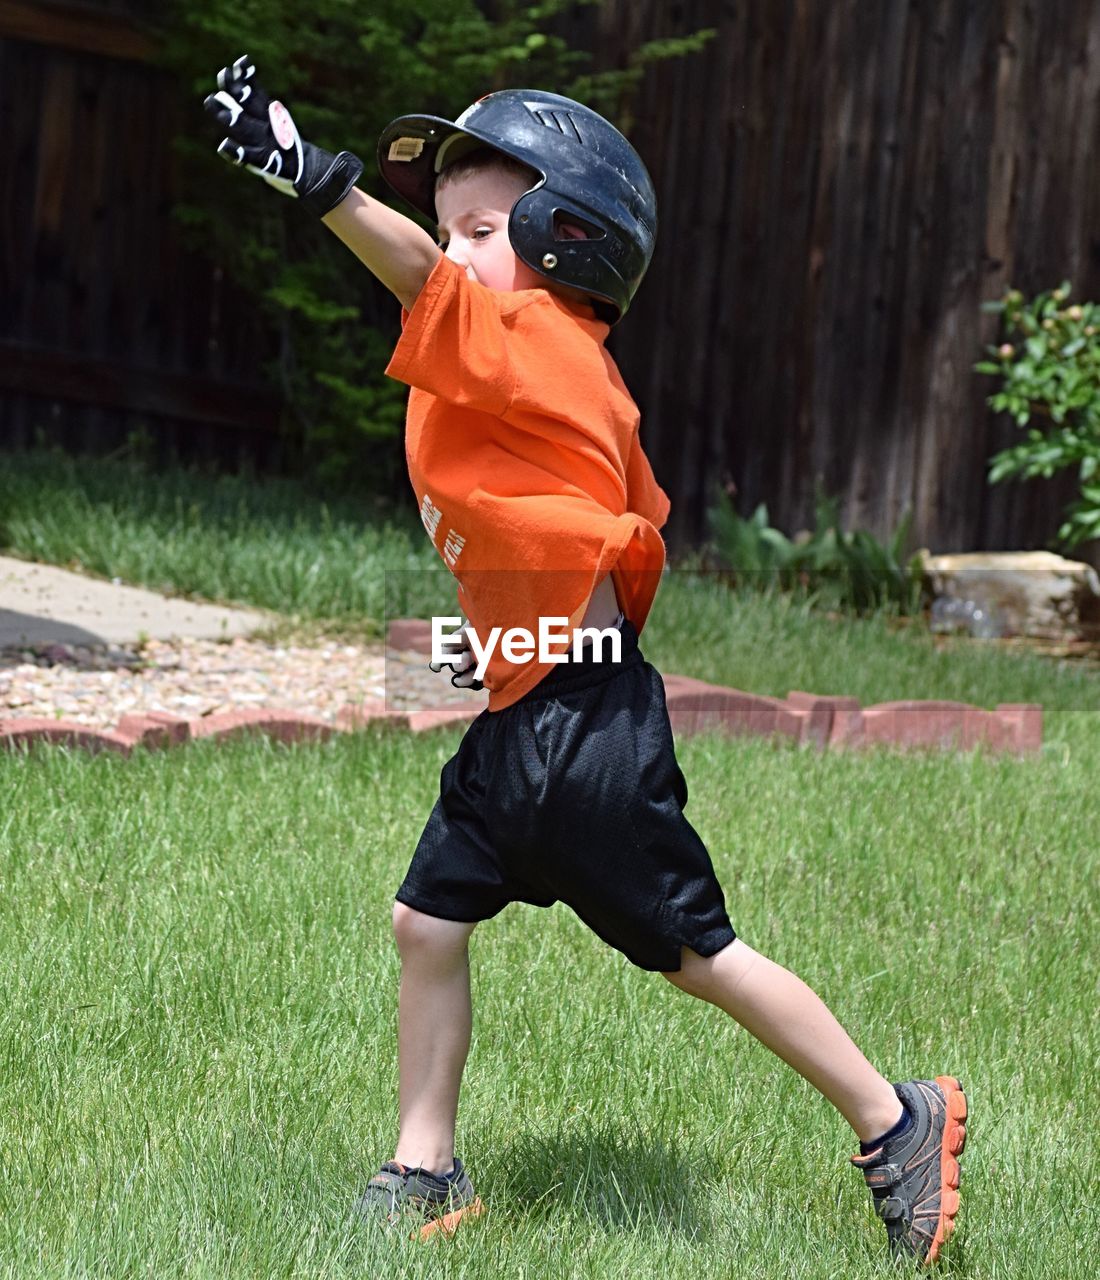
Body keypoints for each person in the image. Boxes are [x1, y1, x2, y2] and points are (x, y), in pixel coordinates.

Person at [204, 57, 967, 1264]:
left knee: (695, 953)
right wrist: (452, 664)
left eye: (477, 230)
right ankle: (423, 1164)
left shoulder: (542, 341)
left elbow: (410, 280)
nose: (448, 253)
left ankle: (893, 1116)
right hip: (529, 711)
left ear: (568, 243)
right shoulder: (496, 359)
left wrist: (319, 181)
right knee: (424, 921)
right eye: (448, 230)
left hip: (585, 729)